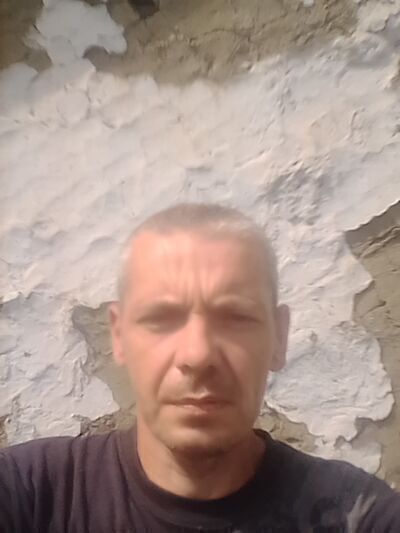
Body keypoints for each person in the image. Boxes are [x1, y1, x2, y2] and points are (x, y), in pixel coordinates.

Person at [1, 203, 399, 533]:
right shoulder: (30, 493)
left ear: (279, 339)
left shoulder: (360, 516)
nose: (197, 355)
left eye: (235, 317)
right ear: (119, 337)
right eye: (162, 319)